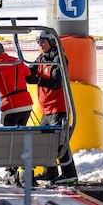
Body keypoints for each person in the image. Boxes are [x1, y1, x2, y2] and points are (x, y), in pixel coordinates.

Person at [26, 31, 78, 187]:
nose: (40, 45)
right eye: (38, 42)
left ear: (52, 42)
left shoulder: (59, 59)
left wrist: (39, 80)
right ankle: (50, 171)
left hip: (58, 107)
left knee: (59, 142)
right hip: (46, 108)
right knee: (45, 141)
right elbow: (31, 70)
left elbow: (56, 83)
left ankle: (70, 174)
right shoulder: (42, 58)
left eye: (43, 41)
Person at [0, 40, 33, 186]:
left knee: (11, 140)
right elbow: (28, 74)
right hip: (26, 103)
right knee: (22, 137)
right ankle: (24, 170)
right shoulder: (17, 61)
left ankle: (11, 172)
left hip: (9, 105)